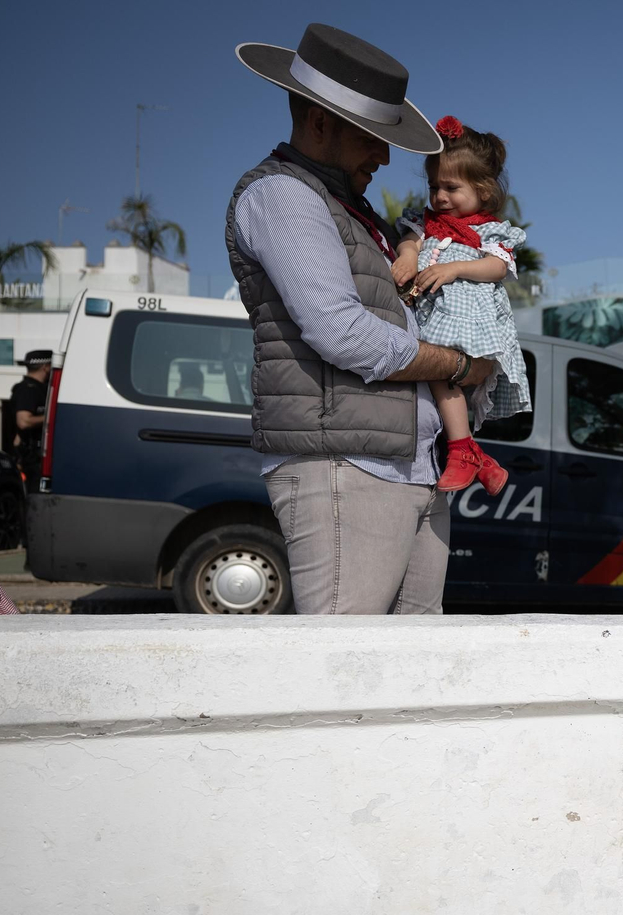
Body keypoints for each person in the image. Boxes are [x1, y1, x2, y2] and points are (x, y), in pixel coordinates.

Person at [228, 24, 495, 615]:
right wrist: (459, 365)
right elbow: (343, 332)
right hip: (347, 466)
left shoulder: (345, 206)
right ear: (320, 123)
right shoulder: (284, 196)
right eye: (372, 137)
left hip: (401, 466)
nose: (385, 155)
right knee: (342, 658)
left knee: (406, 657)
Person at [391, 114, 530, 495]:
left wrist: (454, 269)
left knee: (441, 370)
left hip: (469, 320)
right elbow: (410, 240)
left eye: (451, 187)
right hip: (434, 315)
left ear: (483, 190)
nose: (439, 196)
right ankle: (474, 456)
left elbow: (498, 267)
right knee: (437, 382)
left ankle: (463, 448)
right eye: (434, 186)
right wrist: (407, 255)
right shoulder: (426, 223)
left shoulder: (490, 231)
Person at [8, 349, 51, 480]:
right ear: (45, 367)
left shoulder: (41, 388)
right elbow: (24, 421)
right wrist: (51, 417)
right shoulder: (28, 390)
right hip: (31, 459)